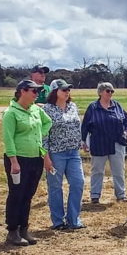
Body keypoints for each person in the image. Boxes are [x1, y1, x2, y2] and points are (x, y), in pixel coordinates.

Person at [2, 79, 53, 246]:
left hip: (35, 157)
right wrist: (13, 161)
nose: (37, 94)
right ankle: (12, 230)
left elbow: (48, 122)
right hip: (18, 159)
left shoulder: (36, 110)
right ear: (22, 91)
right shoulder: (11, 112)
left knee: (28, 195)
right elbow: (8, 139)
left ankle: (24, 228)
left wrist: (40, 135)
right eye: (33, 91)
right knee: (17, 194)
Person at [42, 79, 86, 230]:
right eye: (63, 90)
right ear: (55, 92)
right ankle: (58, 221)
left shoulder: (72, 106)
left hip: (73, 152)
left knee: (78, 183)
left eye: (68, 89)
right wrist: (46, 157)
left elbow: (76, 126)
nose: (67, 92)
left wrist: (81, 141)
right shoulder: (46, 109)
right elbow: (44, 135)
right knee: (55, 186)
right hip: (56, 153)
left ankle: (73, 219)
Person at [81, 81, 127, 204]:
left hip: (116, 142)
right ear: (100, 92)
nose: (110, 93)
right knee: (97, 170)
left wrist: (125, 131)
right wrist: (83, 141)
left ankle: (121, 194)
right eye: (108, 91)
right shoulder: (93, 107)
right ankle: (95, 195)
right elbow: (85, 125)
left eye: (112, 91)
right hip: (99, 143)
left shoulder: (117, 106)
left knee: (119, 170)